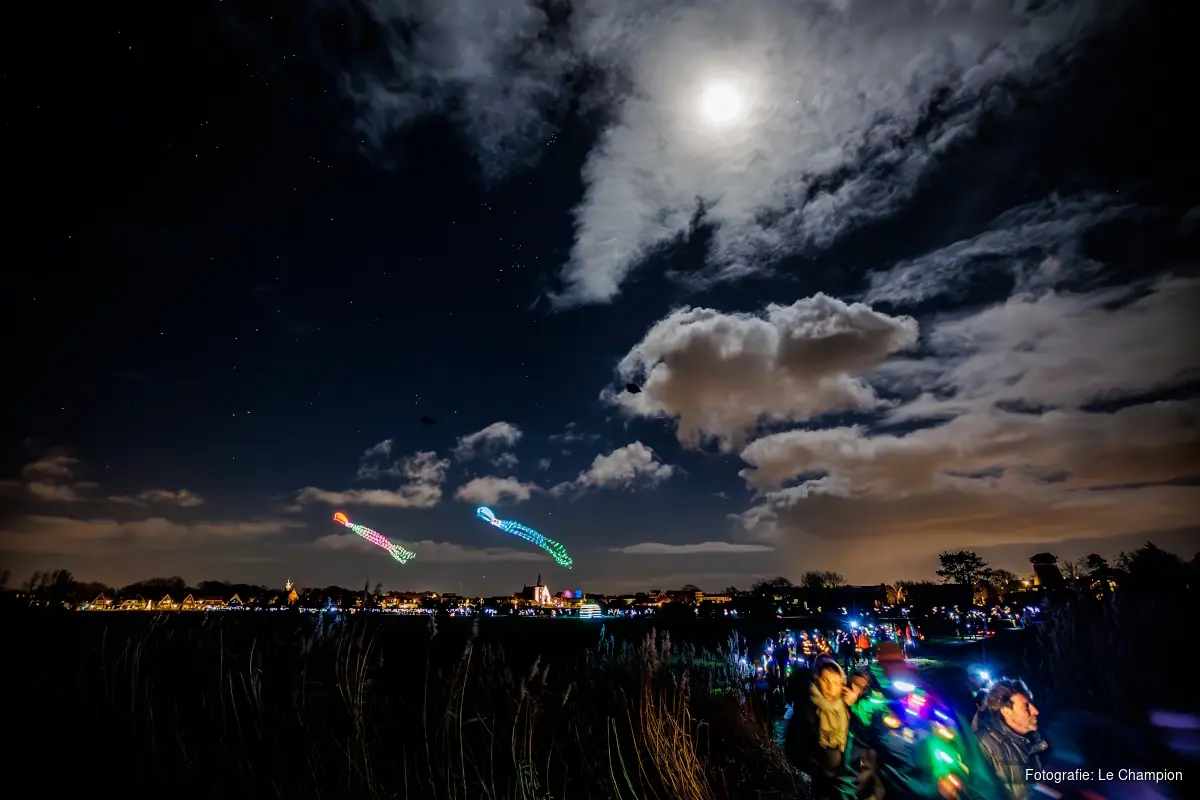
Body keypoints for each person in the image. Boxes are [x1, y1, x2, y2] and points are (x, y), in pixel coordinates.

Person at [973, 679, 1049, 800]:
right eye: (1026, 707)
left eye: (1032, 704)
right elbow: (978, 792)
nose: (1036, 711)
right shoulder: (983, 744)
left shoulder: (1036, 738)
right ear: (1005, 711)